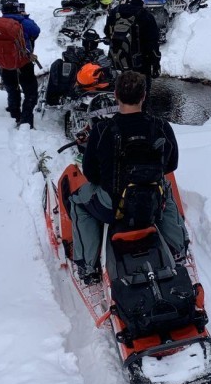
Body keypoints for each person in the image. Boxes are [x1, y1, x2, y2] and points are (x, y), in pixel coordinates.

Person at [68, 71, 187, 284]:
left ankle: (88, 267)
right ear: (144, 95)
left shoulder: (102, 130)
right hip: (152, 201)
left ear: (116, 95)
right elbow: (171, 164)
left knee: (77, 201)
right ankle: (178, 248)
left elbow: (91, 173)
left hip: (113, 208)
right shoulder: (161, 126)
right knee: (165, 187)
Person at [0, 0, 41, 128]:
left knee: (12, 90)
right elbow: (36, 31)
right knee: (30, 93)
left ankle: (14, 115)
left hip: (5, 65)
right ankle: (26, 121)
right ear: (17, 7)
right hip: (24, 64)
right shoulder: (24, 22)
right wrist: (25, 17)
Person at [104, 0, 161, 101]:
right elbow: (153, 44)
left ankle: (119, 115)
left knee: (120, 96)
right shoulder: (146, 15)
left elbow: (107, 32)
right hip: (139, 66)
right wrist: (156, 65)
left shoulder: (116, 11)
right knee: (140, 98)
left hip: (117, 62)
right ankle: (139, 117)